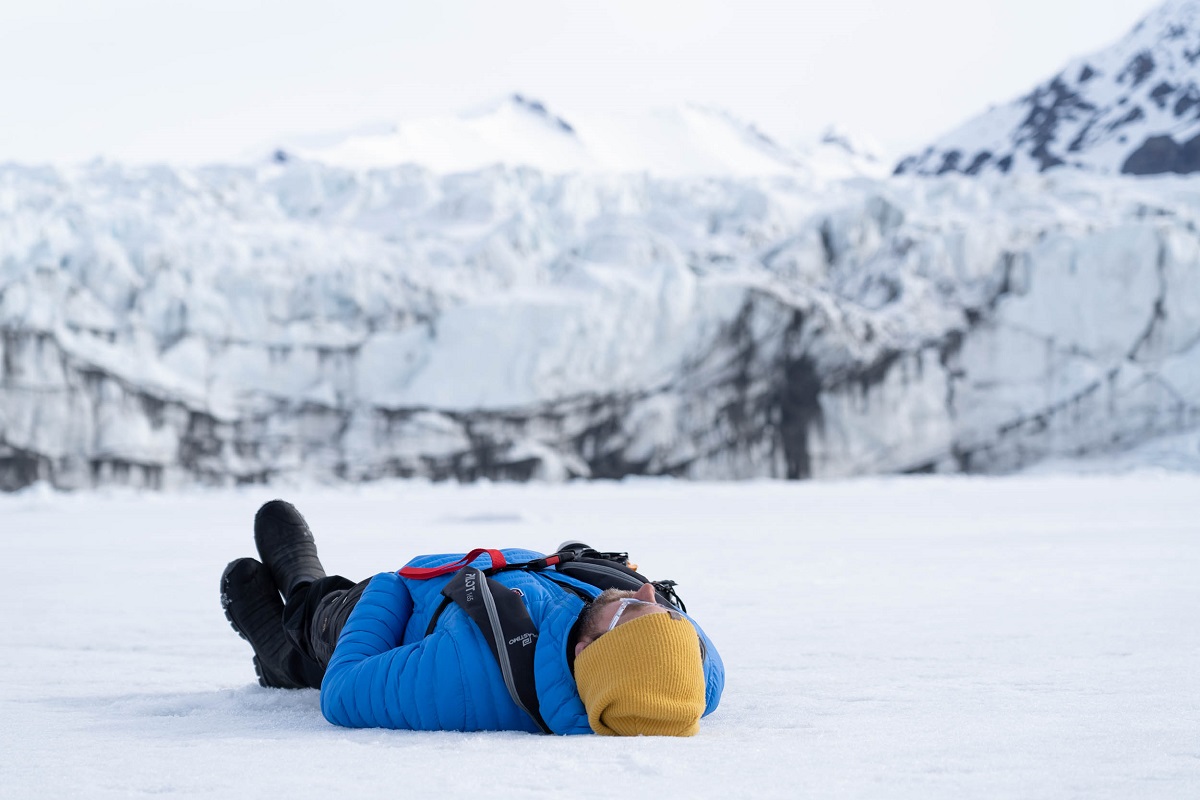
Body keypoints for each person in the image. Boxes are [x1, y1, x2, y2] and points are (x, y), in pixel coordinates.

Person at [220, 500, 724, 736]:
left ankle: (302, 603)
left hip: (403, 616)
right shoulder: (691, 685)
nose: (646, 592)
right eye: (665, 613)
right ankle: (286, 655)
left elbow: (344, 691)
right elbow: (678, 648)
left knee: (332, 615)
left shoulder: (466, 674)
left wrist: (388, 588)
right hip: (523, 580)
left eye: (636, 608)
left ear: (585, 651)